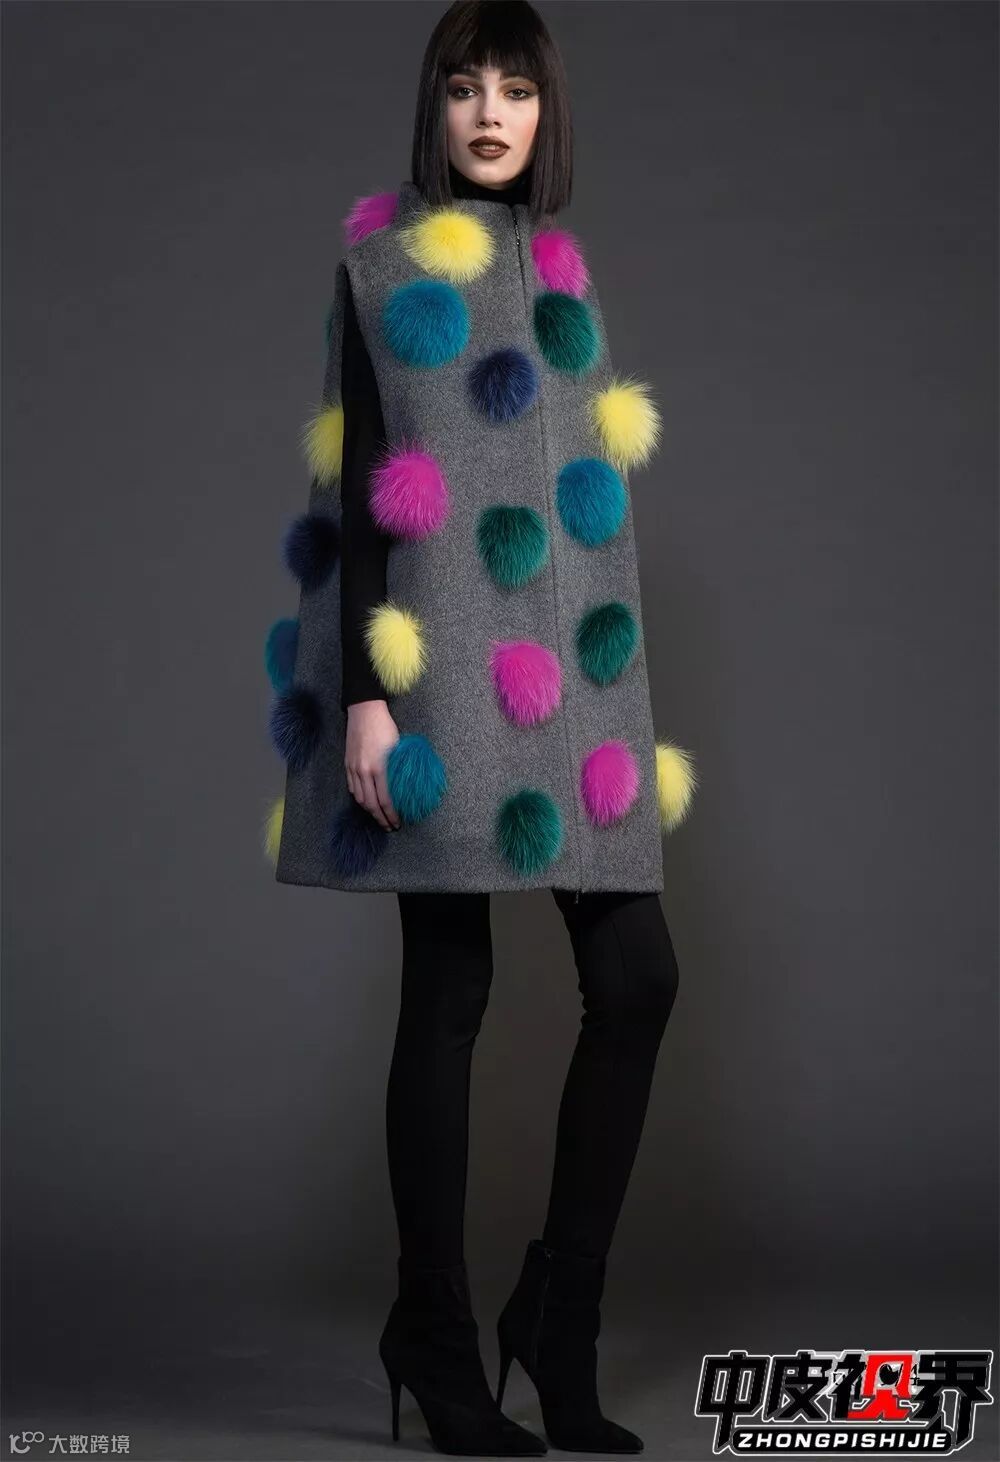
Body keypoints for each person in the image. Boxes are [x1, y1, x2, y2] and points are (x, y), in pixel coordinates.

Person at [263, 1, 698, 1453]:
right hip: (441, 677)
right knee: (450, 990)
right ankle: (437, 1341)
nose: (491, 112)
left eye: (516, 88)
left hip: (573, 690)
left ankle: (555, 1320)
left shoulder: (562, 275)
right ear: (435, 108)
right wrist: (368, 699)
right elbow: (356, 492)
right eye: (465, 87)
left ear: (545, 110)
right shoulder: (385, 265)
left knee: (636, 976)